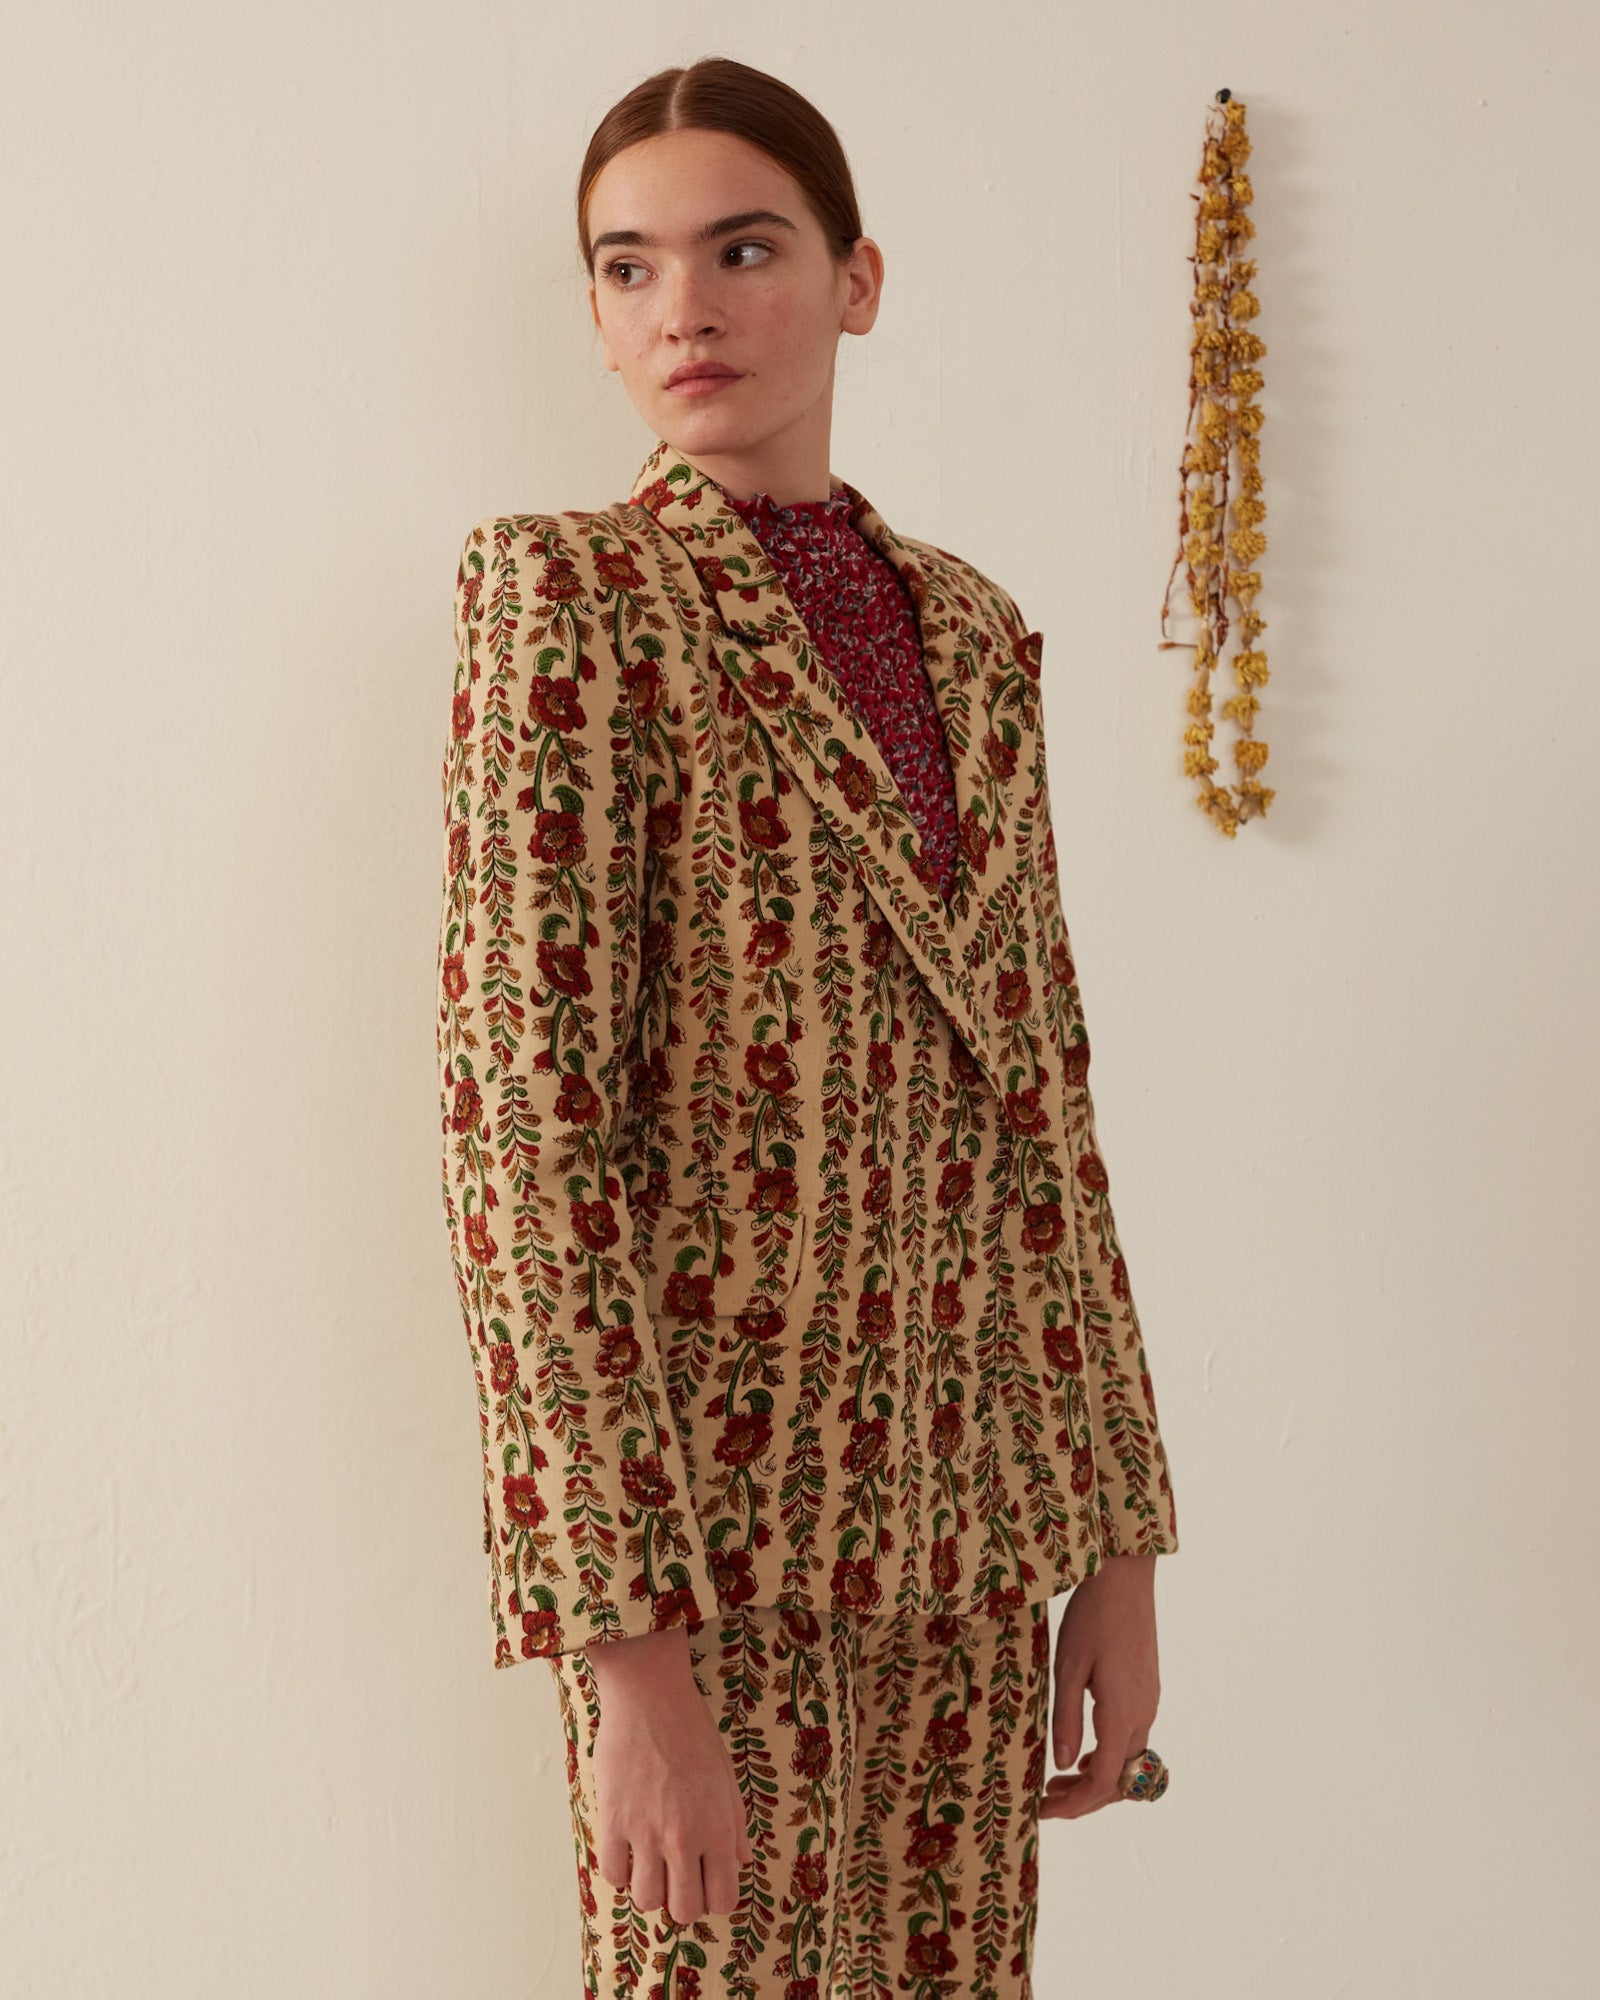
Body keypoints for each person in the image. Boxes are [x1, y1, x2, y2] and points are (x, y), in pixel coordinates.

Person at [437, 55, 1179, 1998]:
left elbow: (1041, 1093)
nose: (681, 307)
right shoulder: (568, 600)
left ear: (855, 280)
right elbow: (528, 1140)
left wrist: (1110, 1539)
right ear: (596, 318)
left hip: (965, 1523)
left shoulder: (970, 632)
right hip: (710, 1551)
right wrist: (631, 1663)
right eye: (627, 267)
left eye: (740, 248)